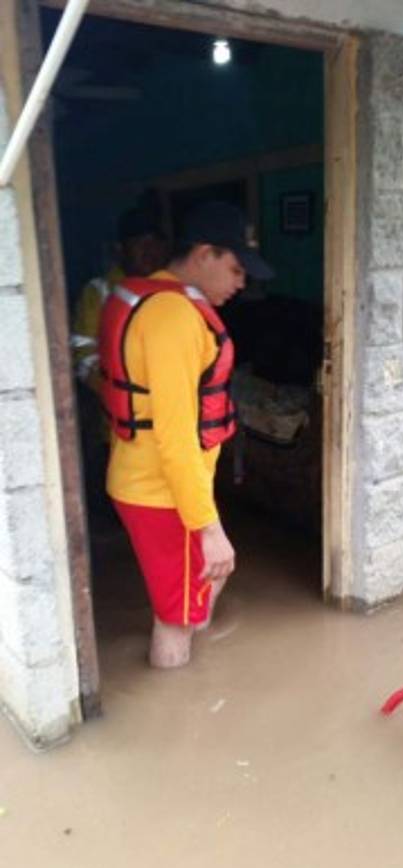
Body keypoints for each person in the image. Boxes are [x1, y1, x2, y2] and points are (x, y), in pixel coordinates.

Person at [98, 202, 273, 668]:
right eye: (236, 269)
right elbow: (175, 438)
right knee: (173, 616)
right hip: (161, 492)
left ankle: (197, 635)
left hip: (148, 480)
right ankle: (178, 697)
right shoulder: (173, 318)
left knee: (205, 580)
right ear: (203, 255)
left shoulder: (141, 297)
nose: (241, 283)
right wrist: (207, 527)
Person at [71, 208, 168, 522]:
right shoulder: (99, 291)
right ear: (119, 250)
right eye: (141, 244)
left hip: (166, 419)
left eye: (155, 243)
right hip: (116, 417)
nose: (149, 252)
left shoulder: (168, 289)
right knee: (123, 496)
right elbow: (82, 353)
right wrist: (113, 393)